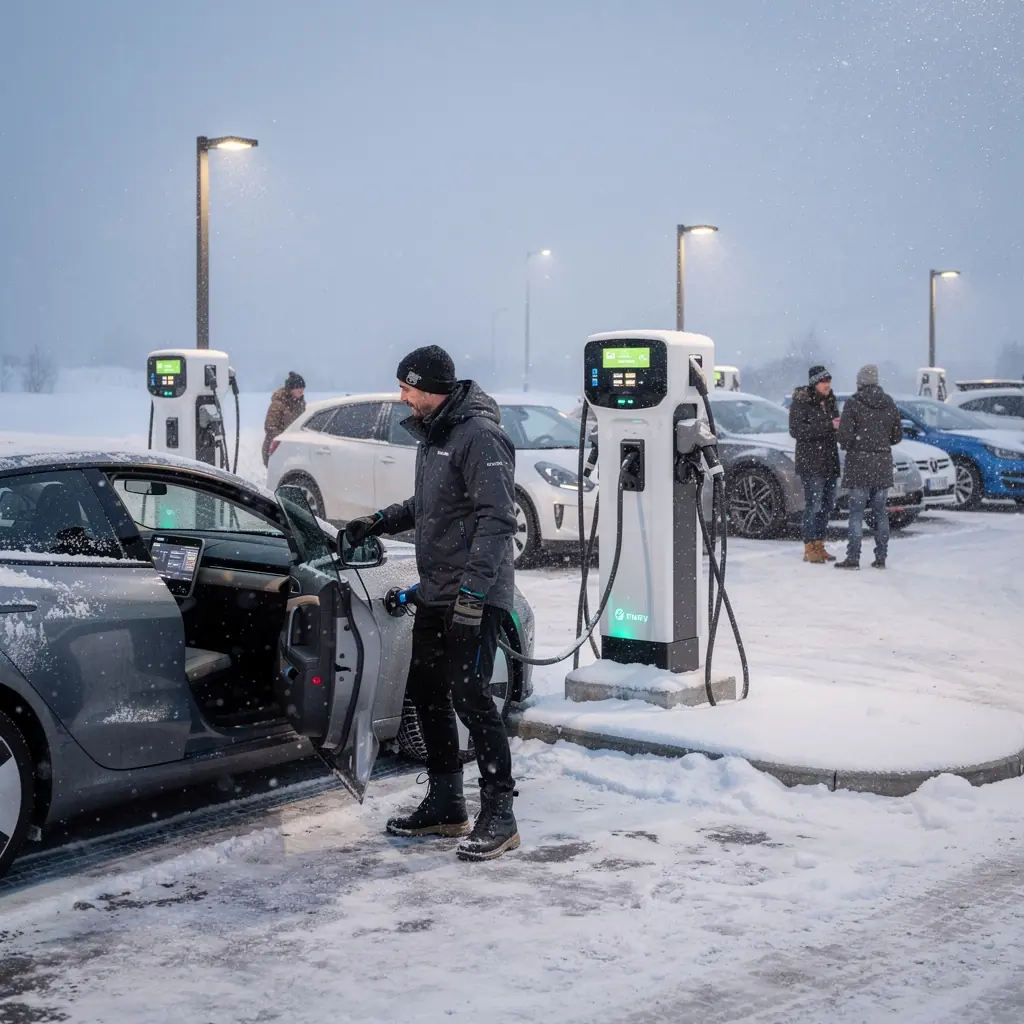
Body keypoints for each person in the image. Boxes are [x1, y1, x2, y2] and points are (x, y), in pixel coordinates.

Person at [344, 345, 519, 861]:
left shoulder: (480, 435)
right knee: (425, 690)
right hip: (438, 590)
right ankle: (447, 804)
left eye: (407, 388)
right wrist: (379, 520)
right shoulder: (437, 434)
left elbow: (497, 520)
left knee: (471, 697)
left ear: (431, 389)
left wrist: (473, 595)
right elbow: (432, 505)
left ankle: (499, 813)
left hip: (474, 596)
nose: (402, 397)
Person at [835, 364, 903, 570]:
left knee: (856, 513)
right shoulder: (889, 402)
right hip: (882, 464)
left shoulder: (853, 403)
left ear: (860, 382)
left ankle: (853, 558)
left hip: (859, 464)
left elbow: (844, 438)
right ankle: (881, 557)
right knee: (881, 512)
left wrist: (853, 441)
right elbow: (897, 436)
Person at [788, 365, 841, 564]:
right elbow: (797, 430)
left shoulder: (830, 401)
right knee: (814, 506)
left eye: (829, 381)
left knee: (827, 506)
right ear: (814, 383)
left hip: (830, 461)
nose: (827, 385)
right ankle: (809, 547)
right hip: (811, 463)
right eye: (823, 381)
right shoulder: (802, 402)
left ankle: (820, 545)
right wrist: (829, 426)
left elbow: (835, 427)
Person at [262, 372, 306, 466]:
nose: (301, 390)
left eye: (302, 388)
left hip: (292, 448)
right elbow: (270, 427)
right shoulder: (278, 404)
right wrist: (285, 438)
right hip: (275, 448)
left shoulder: (301, 404)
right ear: (291, 389)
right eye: (299, 387)